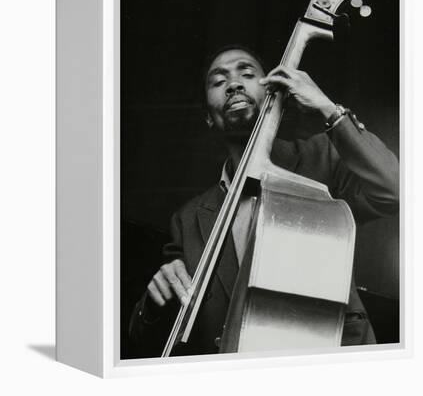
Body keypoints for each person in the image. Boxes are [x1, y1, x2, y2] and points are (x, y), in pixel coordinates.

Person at [129, 45, 399, 356]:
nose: (233, 84)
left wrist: (328, 108)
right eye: (218, 82)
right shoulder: (188, 219)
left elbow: (394, 191)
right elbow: (147, 340)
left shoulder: (321, 158)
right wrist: (152, 303)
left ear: (275, 92)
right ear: (208, 118)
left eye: (247, 74)